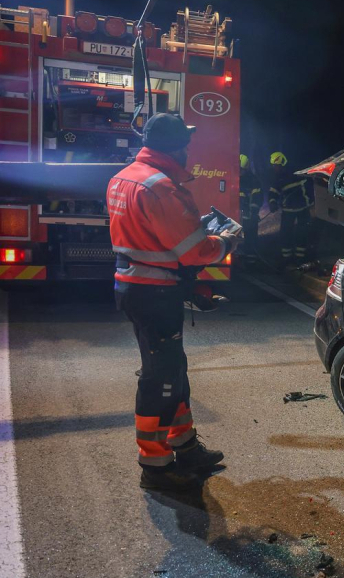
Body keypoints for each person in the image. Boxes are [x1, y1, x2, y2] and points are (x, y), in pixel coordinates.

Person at [107, 113, 238, 491]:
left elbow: (155, 235)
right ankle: (157, 467)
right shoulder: (162, 187)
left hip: (138, 287)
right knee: (160, 379)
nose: (188, 151)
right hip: (155, 293)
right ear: (175, 147)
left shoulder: (126, 176)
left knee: (173, 371)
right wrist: (228, 240)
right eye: (185, 144)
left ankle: (185, 446)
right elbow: (194, 251)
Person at [267, 151, 313, 265]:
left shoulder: (296, 173)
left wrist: (309, 203)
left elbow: (308, 188)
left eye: (276, 166)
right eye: (273, 166)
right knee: (285, 234)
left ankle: (300, 258)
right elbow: (273, 192)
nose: (274, 168)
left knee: (301, 233)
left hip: (303, 209)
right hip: (288, 210)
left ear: (282, 164)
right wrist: (272, 203)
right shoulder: (278, 178)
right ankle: (286, 258)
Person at [238, 154, 262, 264]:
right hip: (238, 216)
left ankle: (250, 262)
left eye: (241, 170)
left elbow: (257, 199)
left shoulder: (253, 181)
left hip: (249, 216)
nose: (239, 172)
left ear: (246, 169)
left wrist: (253, 214)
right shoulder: (234, 178)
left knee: (250, 238)